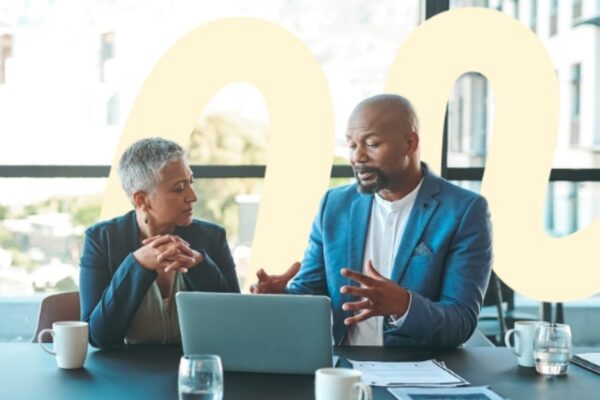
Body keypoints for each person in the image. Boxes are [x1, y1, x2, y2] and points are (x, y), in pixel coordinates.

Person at [252, 94, 492, 348]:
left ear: (410, 144)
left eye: (372, 144)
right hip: (343, 367)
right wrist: (279, 300)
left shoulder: (464, 210)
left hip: (420, 370)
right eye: (352, 145)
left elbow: (461, 321)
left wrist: (404, 305)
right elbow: (311, 292)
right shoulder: (334, 205)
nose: (358, 157)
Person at [80, 137, 240, 349]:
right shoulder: (101, 240)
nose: (192, 197)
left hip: (196, 368)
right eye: (179, 188)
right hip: (126, 374)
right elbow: (98, 337)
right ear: (141, 200)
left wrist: (201, 265)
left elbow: (235, 322)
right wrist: (136, 265)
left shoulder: (212, 238)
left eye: (190, 182)